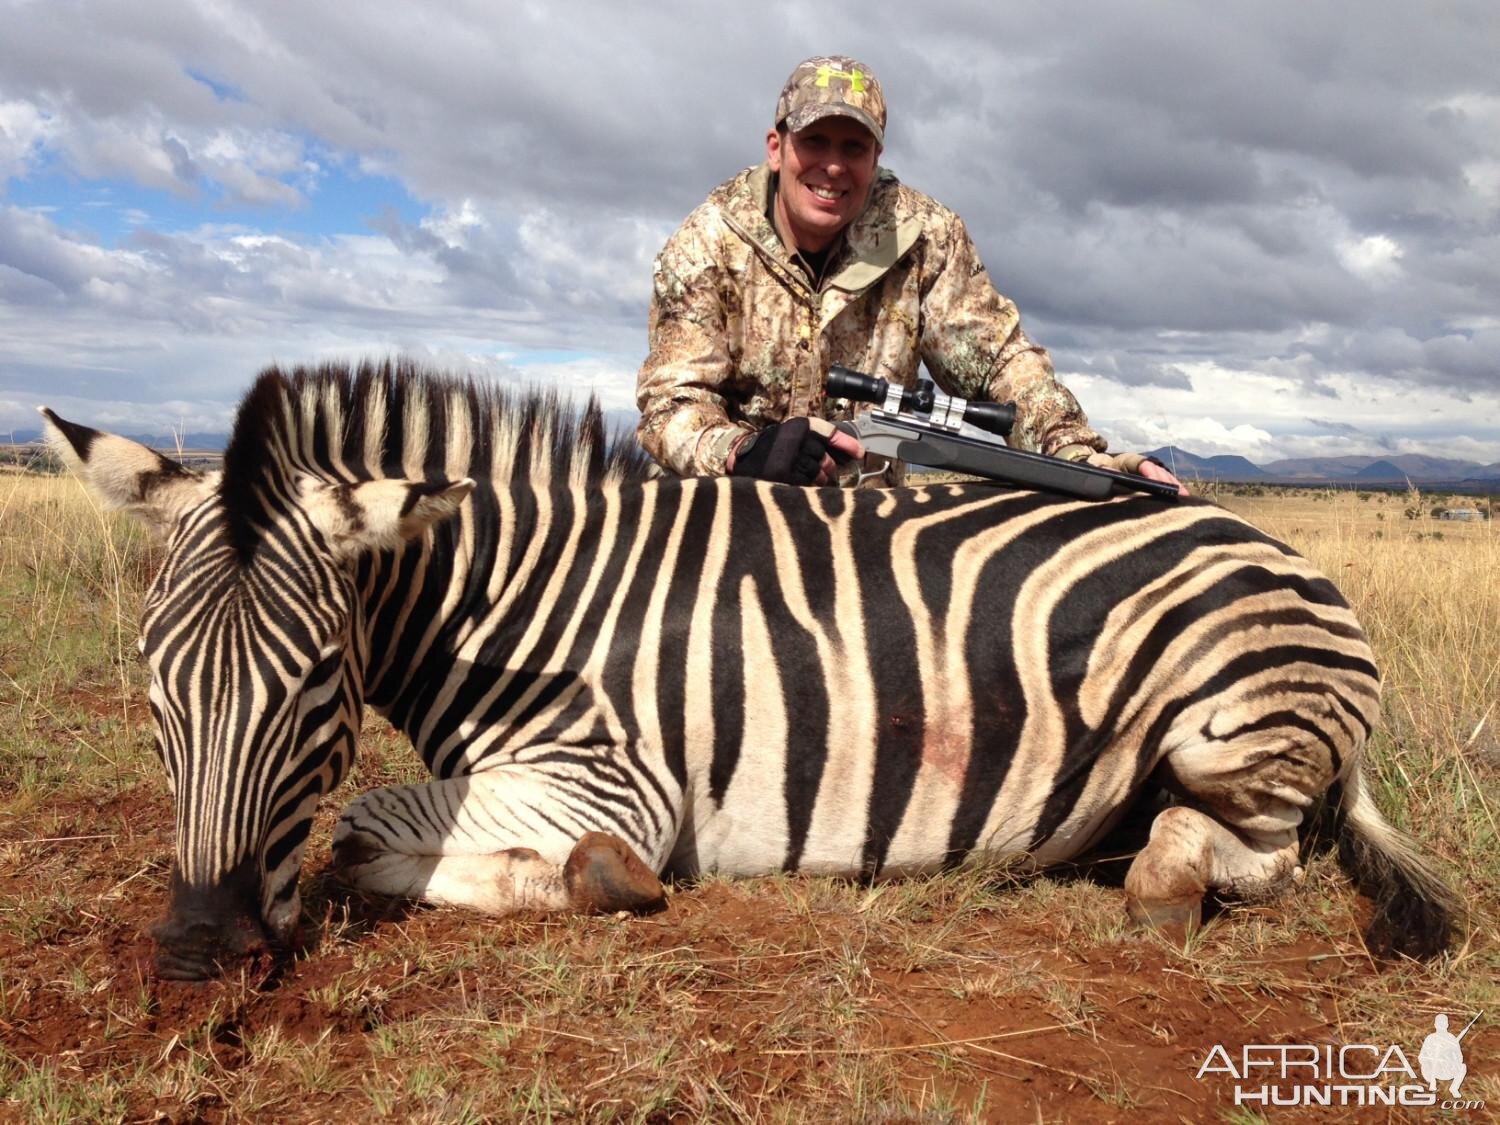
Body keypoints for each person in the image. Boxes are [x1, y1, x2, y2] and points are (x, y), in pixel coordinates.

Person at [636, 55, 1185, 493]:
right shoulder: (705, 244)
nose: (832, 166)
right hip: (729, 515)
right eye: (814, 142)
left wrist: (1077, 453)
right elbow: (670, 409)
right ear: (777, 148)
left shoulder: (924, 237)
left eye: (853, 147)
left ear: (876, 158)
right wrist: (740, 451)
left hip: (869, 530)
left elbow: (999, 363)